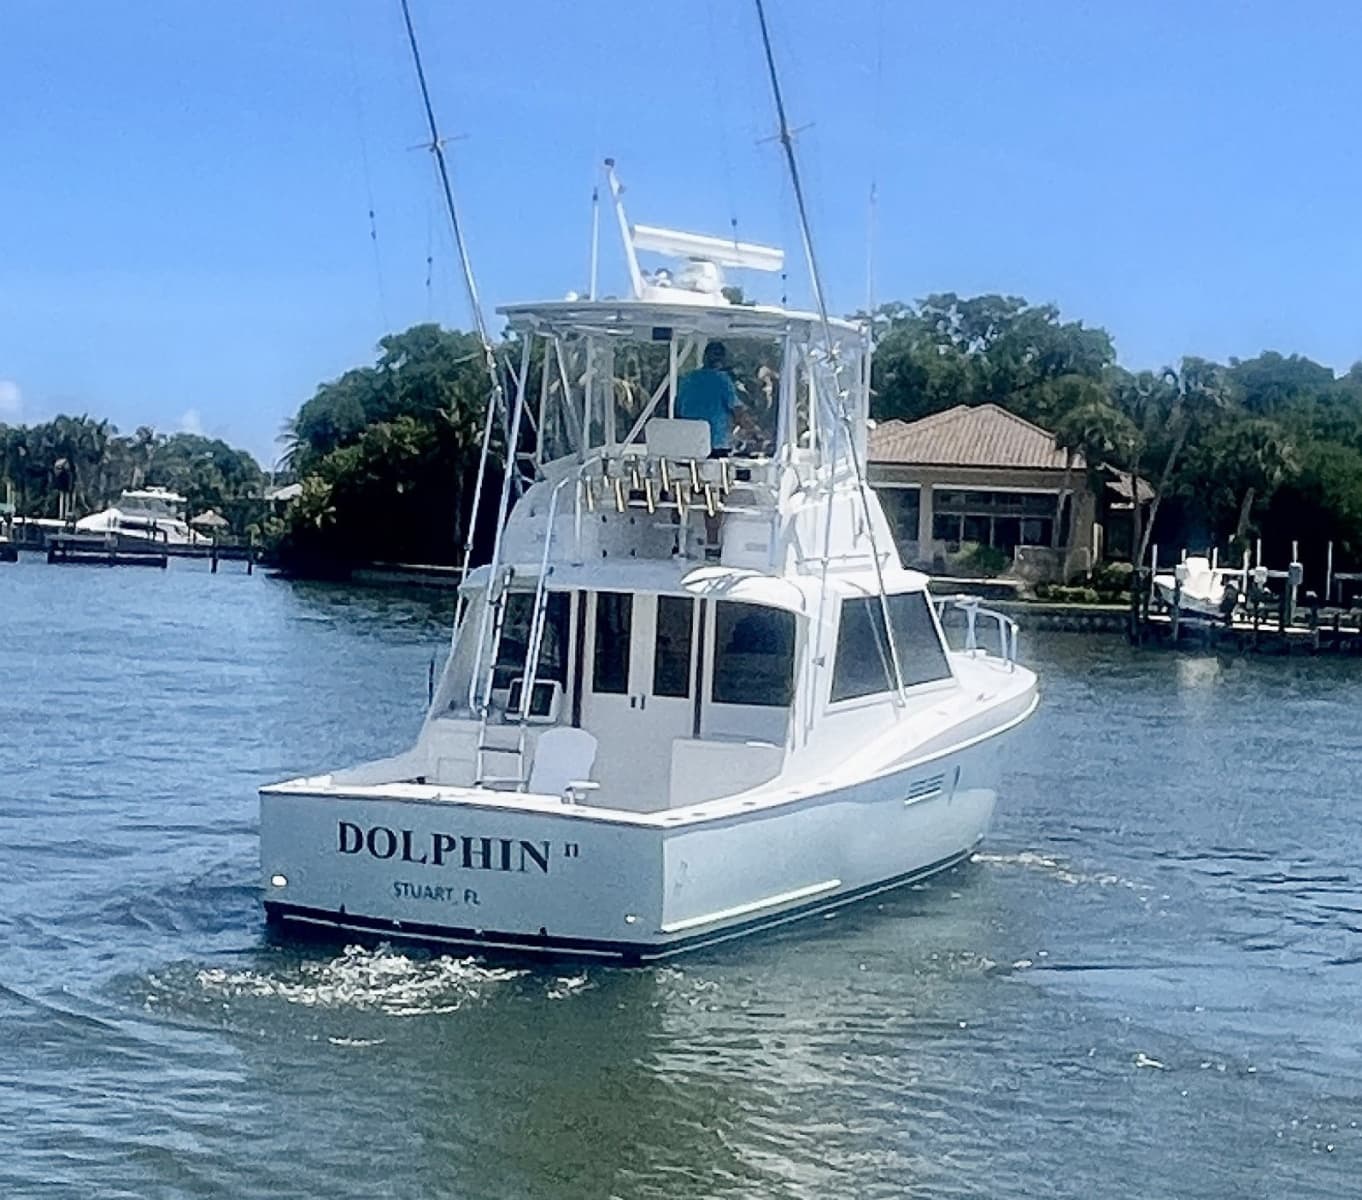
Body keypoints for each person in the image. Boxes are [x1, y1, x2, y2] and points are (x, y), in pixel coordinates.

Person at [676, 341, 741, 457]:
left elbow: (678, 410)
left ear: (704, 357)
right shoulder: (723, 380)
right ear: (723, 359)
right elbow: (737, 411)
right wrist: (754, 432)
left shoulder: (688, 379)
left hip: (689, 444)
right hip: (715, 446)